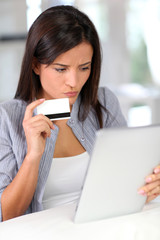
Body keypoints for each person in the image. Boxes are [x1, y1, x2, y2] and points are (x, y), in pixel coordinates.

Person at [0, 5, 159, 222]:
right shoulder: (7, 118)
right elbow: (7, 216)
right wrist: (33, 156)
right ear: (36, 65)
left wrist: (148, 183)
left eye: (84, 67)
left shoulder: (103, 102)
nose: (74, 83)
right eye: (61, 69)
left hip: (105, 225)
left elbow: (126, 180)